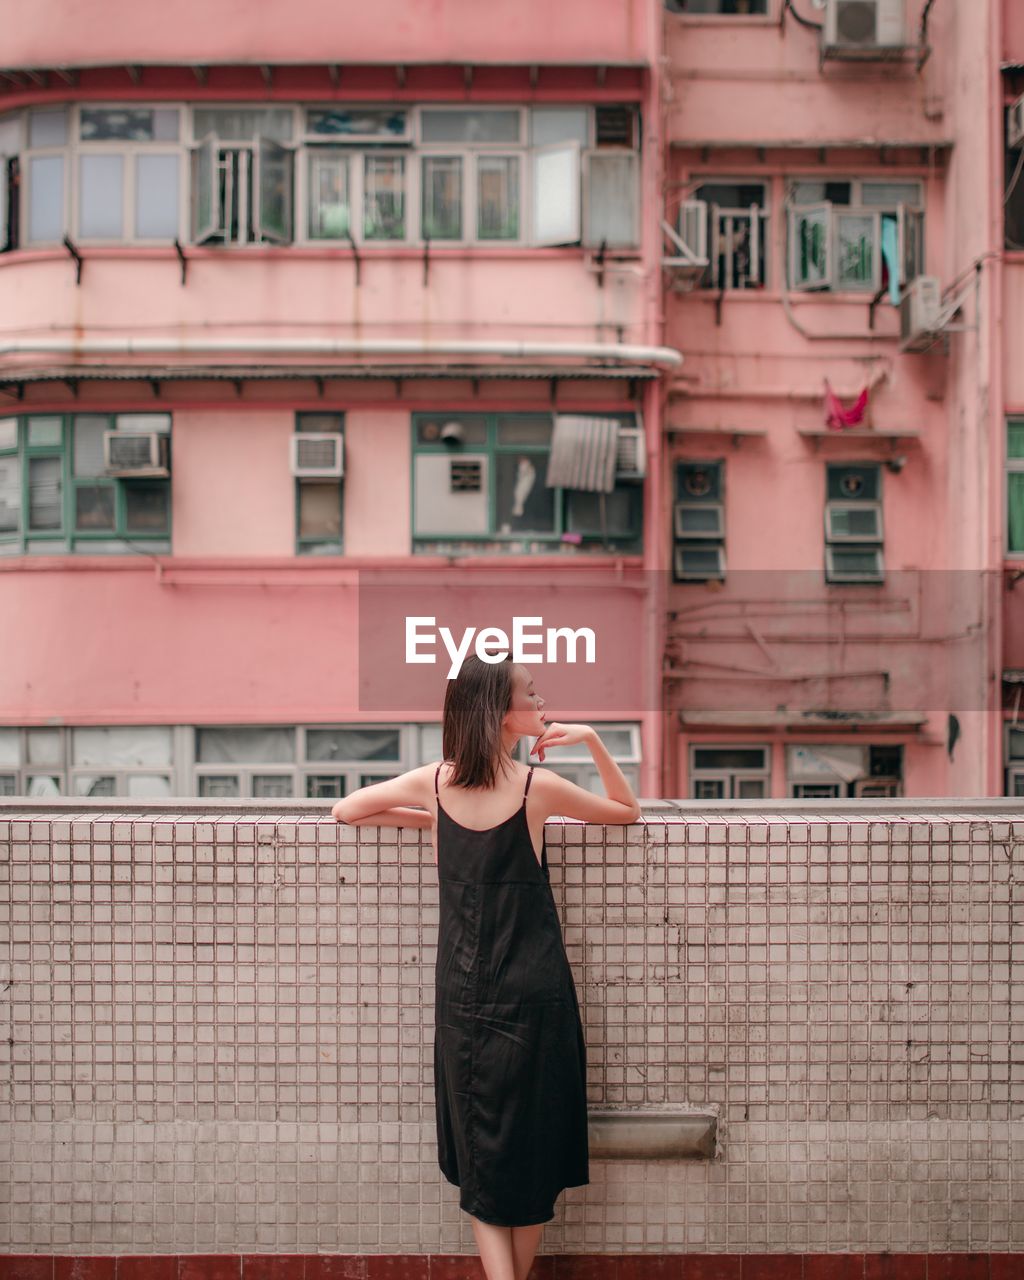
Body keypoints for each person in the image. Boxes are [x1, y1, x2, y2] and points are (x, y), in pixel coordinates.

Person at [332, 655, 641, 1280]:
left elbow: (347, 810)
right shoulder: (538, 788)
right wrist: (593, 741)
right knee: (531, 1146)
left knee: (480, 1148)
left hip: (465, 995)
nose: (541, 699)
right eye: (532, 694)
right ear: (503, 714)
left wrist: (433, 821)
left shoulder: (435, 781)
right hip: (537, 990)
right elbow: (626, 811)